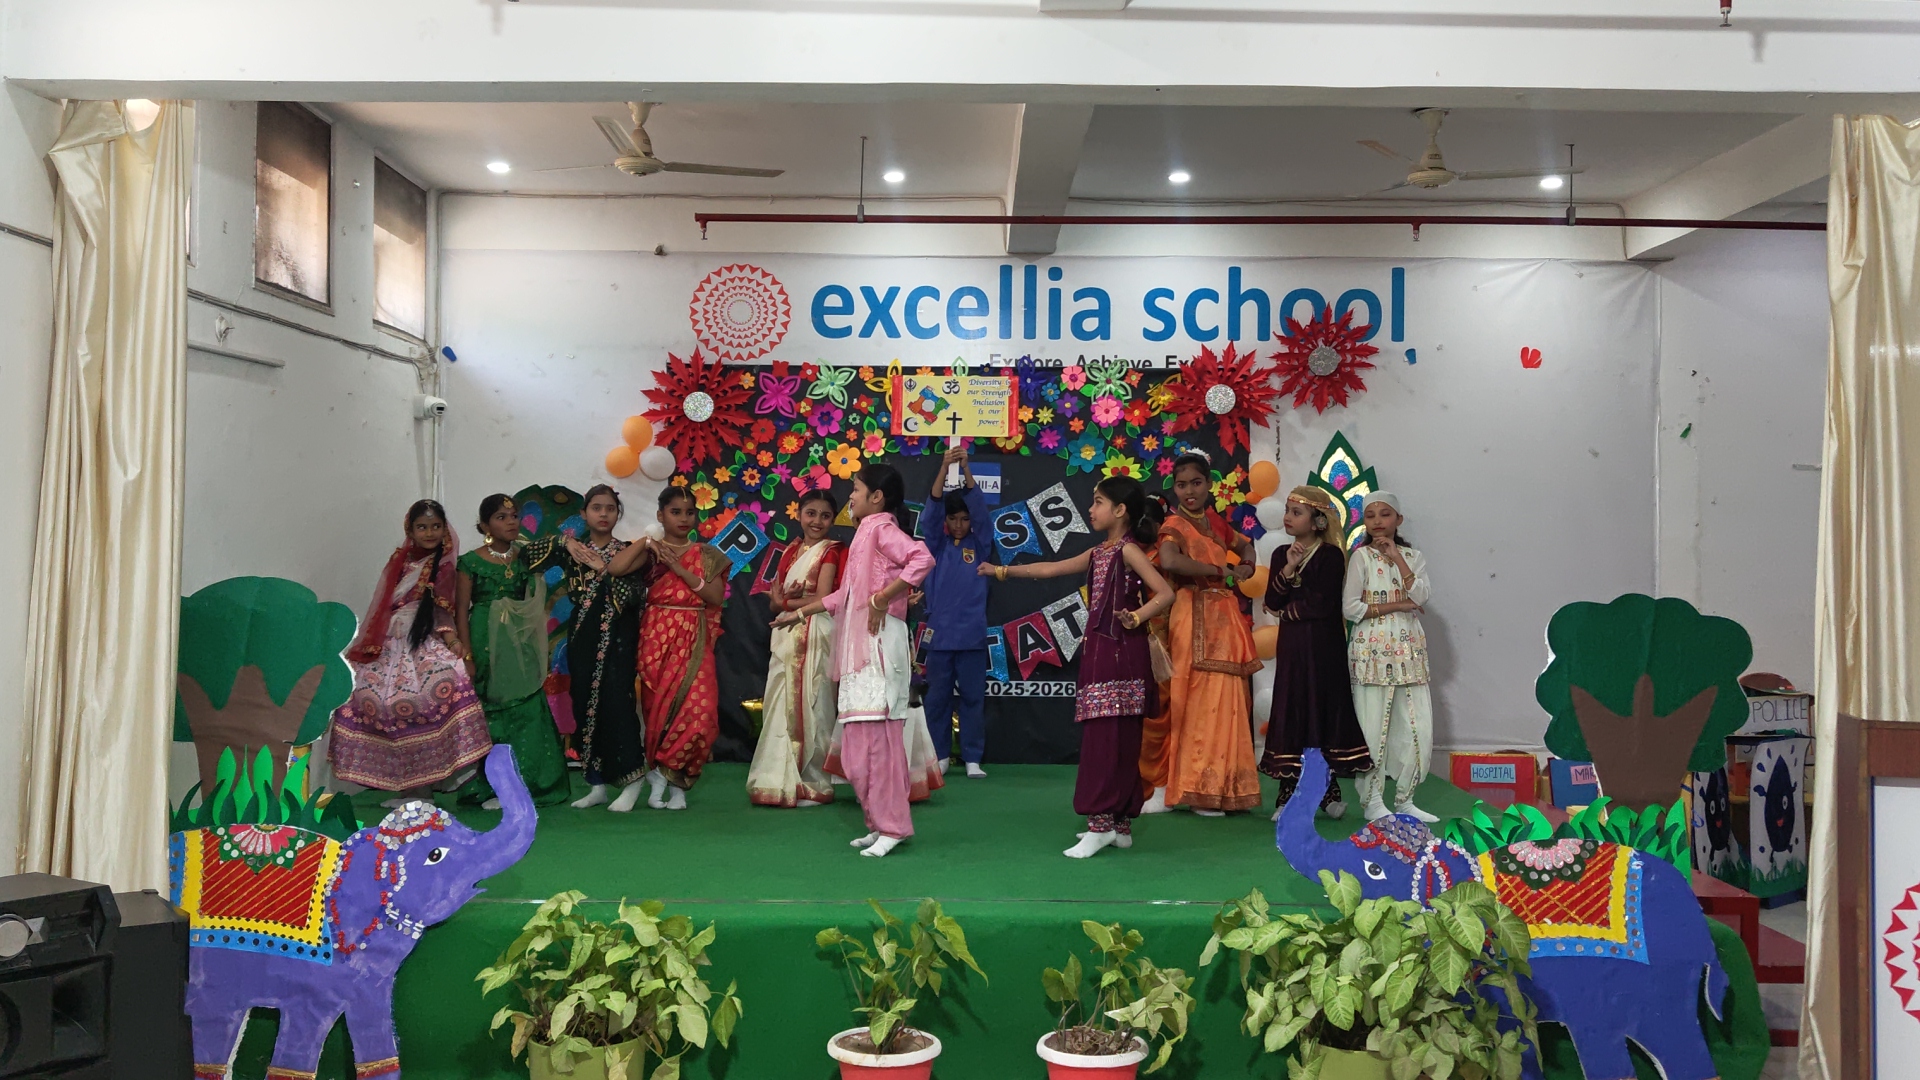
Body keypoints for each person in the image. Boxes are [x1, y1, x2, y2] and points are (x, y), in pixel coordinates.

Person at [984, 476, 1173, 857]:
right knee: (1112, 738)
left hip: (1121, 652)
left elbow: (1167, 593)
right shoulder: (1098, 553)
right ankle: (1119, 826)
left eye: (1098, 501)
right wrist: (1002, 572)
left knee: (1111, 740)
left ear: (1120, 510)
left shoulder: (1128, 550)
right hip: (1104, 650)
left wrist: (1137, 617)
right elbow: (1050, 569)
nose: (1091, 508)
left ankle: (1102, 824)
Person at [774, 463, 934, 858]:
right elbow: (843, 596)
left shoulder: (882, 528)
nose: (851, 497)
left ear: (876, 497)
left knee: (879, 745)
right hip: (857, 649)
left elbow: (922, 558)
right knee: (857, 750)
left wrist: (882, 598)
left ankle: (893, 826)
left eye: (857, 490)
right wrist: (798, 613)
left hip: (879, 647)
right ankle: (877, 822)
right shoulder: (864, 532)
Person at [328, 500, 492, 805]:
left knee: (426, 699)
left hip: (425, 639)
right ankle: (410, 790)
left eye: (436, 526)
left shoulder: (446, 565)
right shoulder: (400, 561)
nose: (430, 532)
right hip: (390, 641)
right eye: (422, 527)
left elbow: (444, 609)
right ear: (410, 530)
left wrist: (454, 644)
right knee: (367, 697)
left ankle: (426, 788)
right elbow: (383, 604)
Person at [595, 486, 729, 811]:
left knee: (701, 715)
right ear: (660, 515)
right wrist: (646, 540)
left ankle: (672, 778)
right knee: (658, 713)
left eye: (689, 512)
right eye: (675, 512)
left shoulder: (707, 554)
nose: (684, 518)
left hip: (694, 635)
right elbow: (615, 569)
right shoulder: (651, 552)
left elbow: (715, 597)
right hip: (656, 635)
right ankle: (665, 781)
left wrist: (680, 570)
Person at [526, 485, 648, 812]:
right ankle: (596, 783)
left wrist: (603, 568)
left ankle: (632, 778)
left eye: (610, 508)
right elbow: (525, 555)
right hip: (582, 636)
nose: (603, 514)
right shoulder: (573, 550)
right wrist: (563, 541)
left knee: (617, 703)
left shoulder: (630, 551)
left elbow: (633, 595)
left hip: (618, 637)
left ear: (618, 514)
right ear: (584, 514)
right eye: (596, 508)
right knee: (582, 702)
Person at [1154, 452, 1263, 816]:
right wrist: (1219, 570)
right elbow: (1169, 561)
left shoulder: (1215, 522)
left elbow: (1246, 546)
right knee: (1195, 697)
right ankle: (1196, 788)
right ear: (1174, 489)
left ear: (1209, 485)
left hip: (1224, 618)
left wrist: (1246, 565)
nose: (1189, 491)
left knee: (1228, 698)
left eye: (1196, 483)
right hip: (1191, 613)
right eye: (1181, 485)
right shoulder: (1173, 524)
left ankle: (1225, 788)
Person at [1259, 487, 1372, 821]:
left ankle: (1328, 793)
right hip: (1293, 649)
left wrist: (1287, 611)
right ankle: (1287, 797)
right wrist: (1288, 569)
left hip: (1323, 649)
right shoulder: (1282, 554)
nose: (1287, 517)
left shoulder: (1330, 556)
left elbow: (1322, 604)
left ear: (1318, 521)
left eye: (1296, 512)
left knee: (1320, 712)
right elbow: (1272, 600)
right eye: (1287, 511)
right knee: (1293, 711)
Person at [454, 494, 571, 809]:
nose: (511, 522)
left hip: (519, 642)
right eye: (501, 517)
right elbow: (460, 609)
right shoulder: (470, 562)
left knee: (528, 708)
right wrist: (467, 656)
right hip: (484, 639)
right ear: (484, 526)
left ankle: (532, 783)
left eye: (514, 516)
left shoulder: (525, 557)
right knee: (493, 713)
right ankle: (495, 787)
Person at [1343, 491, 1437, 822]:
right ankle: (1372, 801)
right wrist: (1399, 605)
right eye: (1370, 516)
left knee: (1418, 728)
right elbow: (1350, 607)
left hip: (1409, 651)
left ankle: (1405, 800)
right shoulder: (1361, 558)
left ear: (1398, 520)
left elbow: (1422, 595)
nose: (1378, 521)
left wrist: (1397, 557)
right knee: (1374, 728)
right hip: (1372, 652)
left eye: (1385, 514)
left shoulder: (1413, 556)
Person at [747, 489, 845, 808]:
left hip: (816, 632)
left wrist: (785, 603)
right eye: (811, 513)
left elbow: (824, 598)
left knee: (814, 703)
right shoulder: (791, 550)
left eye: (825, 516)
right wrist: (782, 604)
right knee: (780, 701)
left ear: (833, 520)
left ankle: (813, 783)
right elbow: (776, 600)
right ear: (799, 514)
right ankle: (778, 780)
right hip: (786, 633)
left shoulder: (831, 551)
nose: (817, 521)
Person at [920, 445, 996, 778]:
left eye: (964, 519)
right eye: (953, 519)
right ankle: (938, 755)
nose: (960, 524)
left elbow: (981, 514)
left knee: (972, 698)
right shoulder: (935, 546)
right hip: (939, 636)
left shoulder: (980, 545)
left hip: (971, 635)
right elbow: (931, 514)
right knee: (936, 699)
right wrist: (943, 467)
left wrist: (965, 469)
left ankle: (972, 758)